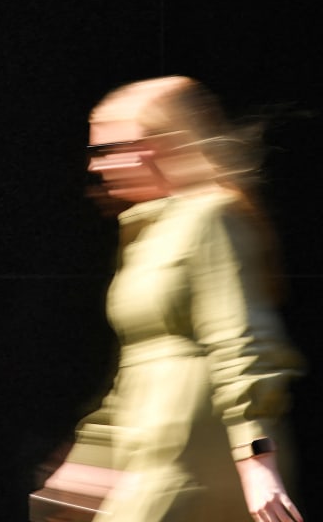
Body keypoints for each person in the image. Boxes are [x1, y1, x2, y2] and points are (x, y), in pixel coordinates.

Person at [81, 75, 305, 522]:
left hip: (196, 460)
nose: (95, 166)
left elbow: (243, 339)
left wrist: (257, 461)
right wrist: (90, 461)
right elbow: (135, 368)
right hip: (151, 457)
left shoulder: (212, 217)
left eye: (106, 149)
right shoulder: (147, 234)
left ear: (156, 147)